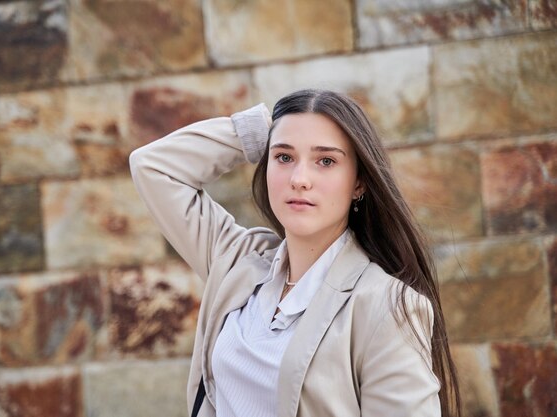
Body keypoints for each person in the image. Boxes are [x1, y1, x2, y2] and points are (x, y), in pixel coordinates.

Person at [129, 89, 460, 417]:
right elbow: (152, 167)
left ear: (359, 183)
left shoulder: (386, 306)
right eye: (284, 157)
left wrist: (284, 138)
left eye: (326, 161)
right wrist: (261, 130)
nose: (300, 179)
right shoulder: (237, 261)